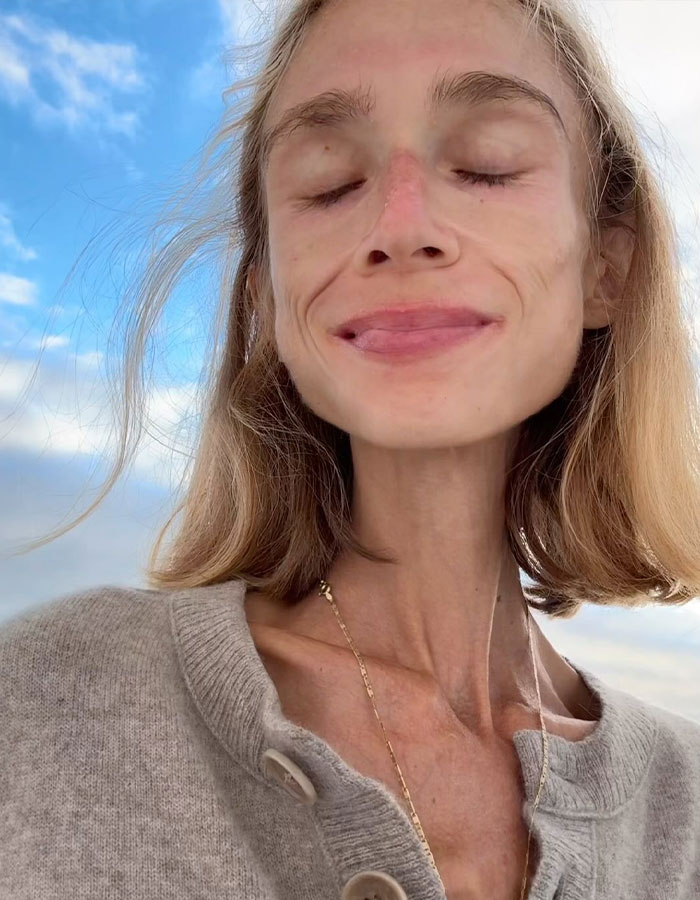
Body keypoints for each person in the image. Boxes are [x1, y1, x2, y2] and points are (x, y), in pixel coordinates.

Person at [2, 0, 700, 897]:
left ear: (606, 267)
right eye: (331, 183)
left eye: (486, 166)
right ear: (267, 304)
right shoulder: (46, 703)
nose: (401, 224)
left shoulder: (683, 809)